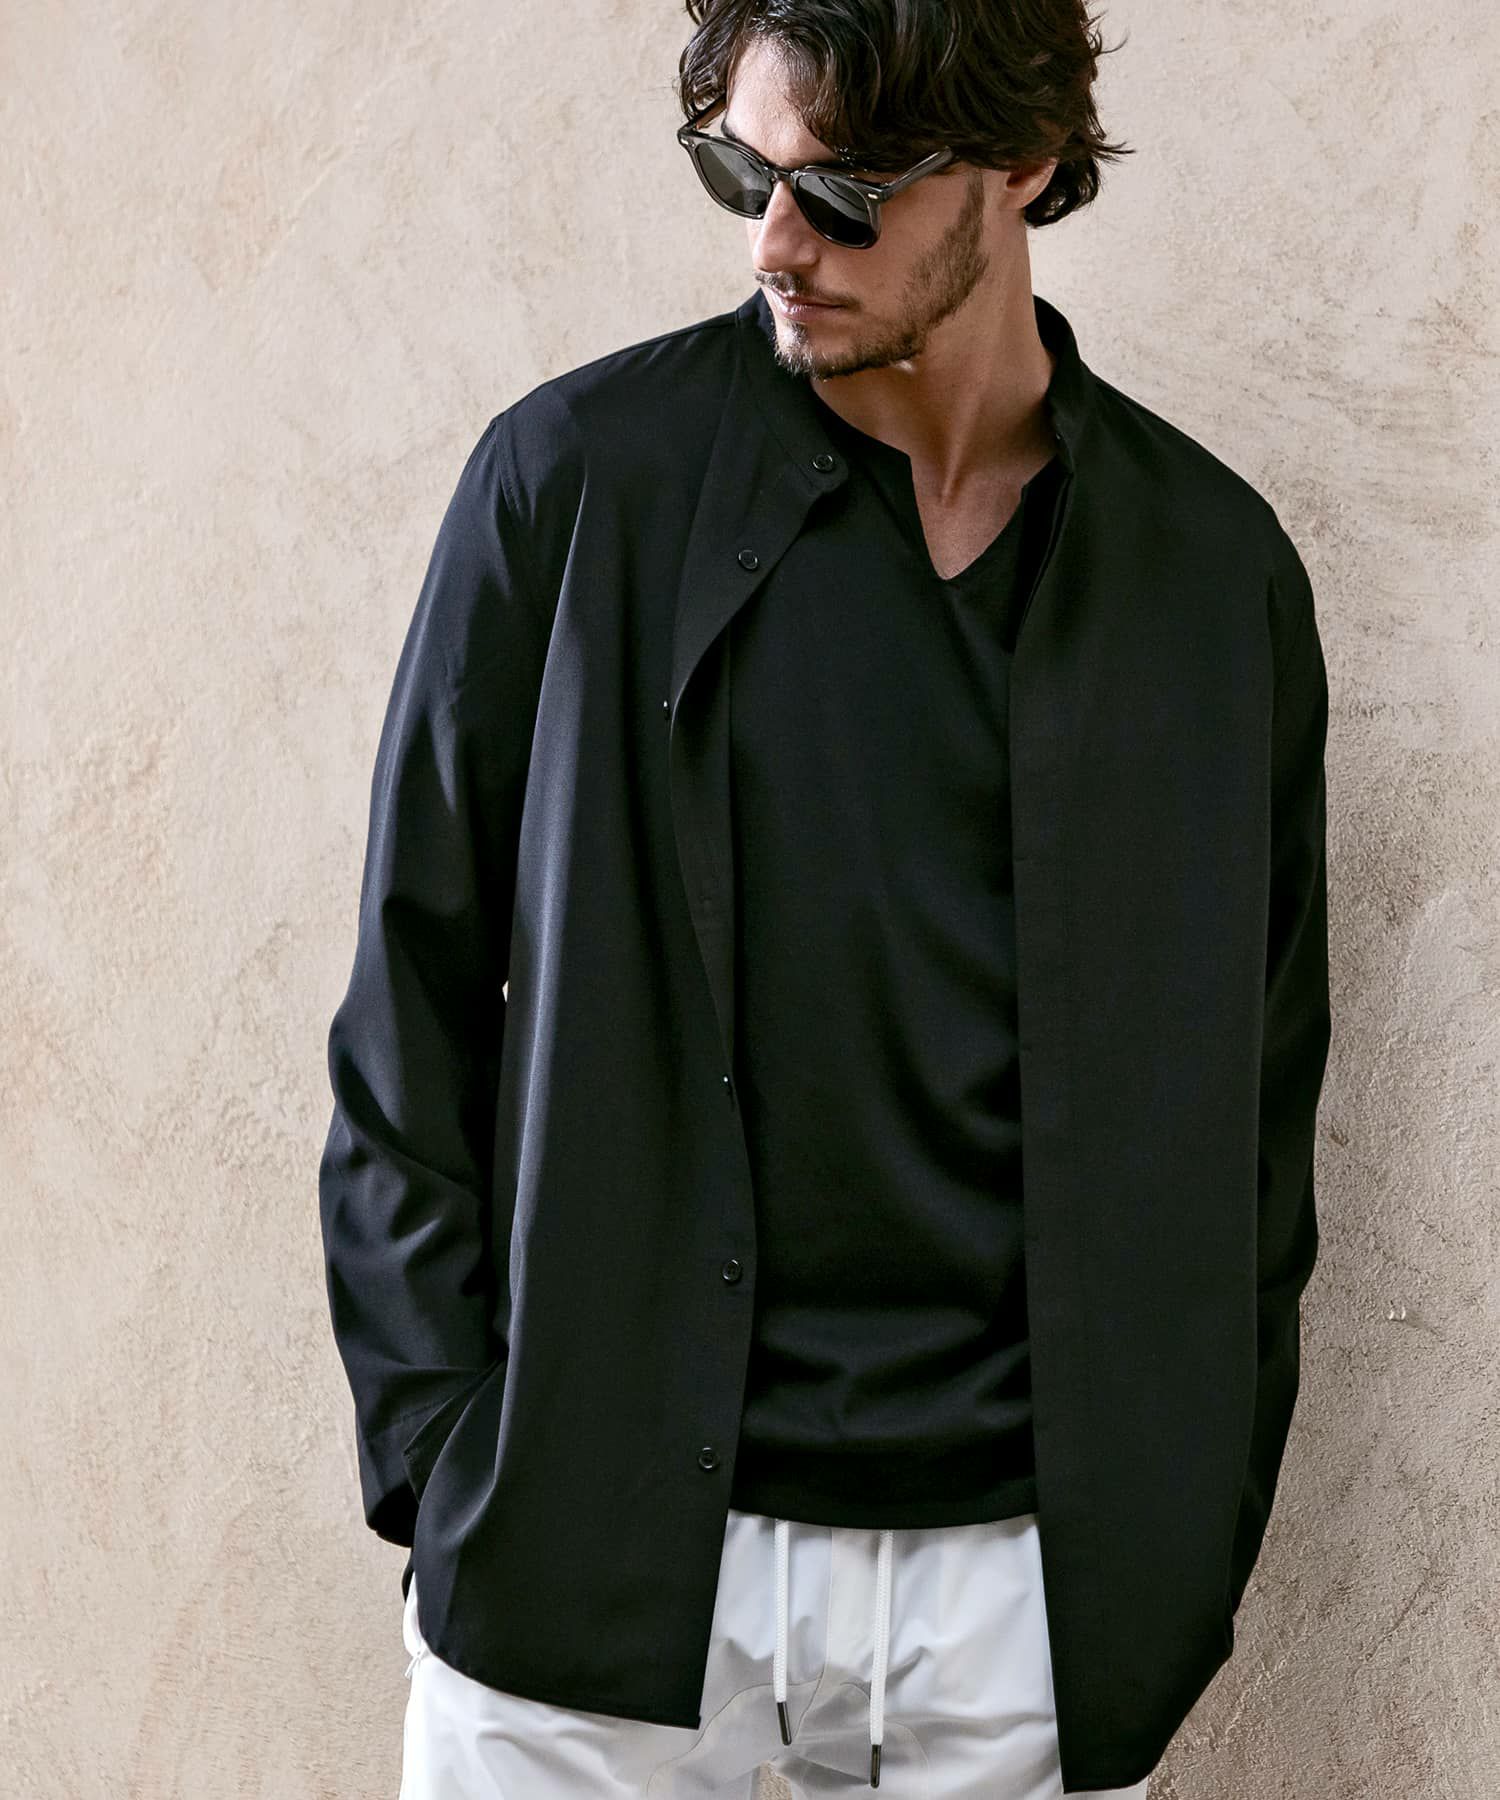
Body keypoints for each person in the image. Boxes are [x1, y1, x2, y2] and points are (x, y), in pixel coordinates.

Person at [317, 4, 1332, 1796]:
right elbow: (411, 1004)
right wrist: (449, 1464)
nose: (776, 244)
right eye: (743, 174)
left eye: (847, 191)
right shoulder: (576, 488)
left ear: (1020, 163)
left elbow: (1257, 1107)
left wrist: (1178, 1537)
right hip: (586, 1584)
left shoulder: (1206, 577)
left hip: (1019, 1617)